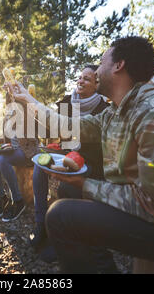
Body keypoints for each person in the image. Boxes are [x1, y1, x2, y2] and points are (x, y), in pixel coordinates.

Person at [9, 36, 154, 273]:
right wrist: (28, 100)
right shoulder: (117, 112)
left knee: (61, 215)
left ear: (118, 65)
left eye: (101, 62)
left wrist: (86, 183)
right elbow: (66, 125)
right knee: (70, 191)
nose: (97, 69)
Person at [30, 65, 109, 261]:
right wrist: (34, 114)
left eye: (87, 79)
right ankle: (41, 224)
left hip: (91, 162)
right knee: (39, 166)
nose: (80, 81)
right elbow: (50, 132)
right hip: (66, 153)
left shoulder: (105, 109)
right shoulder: (66, 102)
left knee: (67, 188)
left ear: (97, 85)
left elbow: (106, 149)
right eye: (80, 77)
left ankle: (63, 239)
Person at [0, 94, 39, 222]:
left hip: (26, 152)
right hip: (11, 151)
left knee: (2, 160)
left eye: (14, 101)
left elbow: (34, 139)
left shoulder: (28, 115)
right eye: (9, 102)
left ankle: (18, 200)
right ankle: (1, 197)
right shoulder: (7, 118)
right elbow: (7, 140)